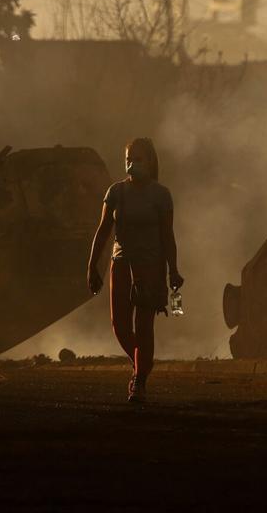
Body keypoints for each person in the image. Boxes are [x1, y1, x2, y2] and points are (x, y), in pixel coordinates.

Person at [86, 138, 183, 403]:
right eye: (129, 158)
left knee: (143, 327)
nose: (132, 164)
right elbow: (103, 230)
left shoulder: (161, 195)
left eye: (138, 159)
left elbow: (167, 237)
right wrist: (92, 265)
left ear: (150, 162)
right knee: (119, 326)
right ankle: (142, 365)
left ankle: (139, 381)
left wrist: (172, 271)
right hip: (120, 264)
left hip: (150, 268)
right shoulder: (115, 192)